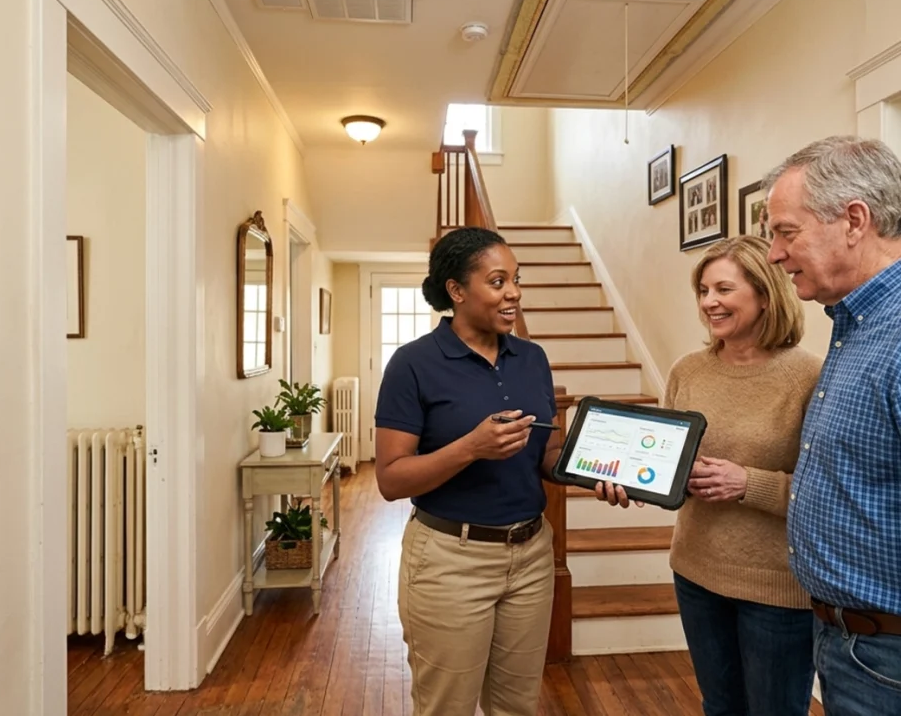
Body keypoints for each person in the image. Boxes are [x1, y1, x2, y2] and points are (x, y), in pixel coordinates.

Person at [597, 235, 822, 716]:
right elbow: (669, 471)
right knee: (719, 707)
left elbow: (827, 493)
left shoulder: (809, 377)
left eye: (723, 289)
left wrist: (748, 484)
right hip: (696, 573)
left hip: (776, 587)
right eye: (702, 290)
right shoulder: (686, 371)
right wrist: (633, 481)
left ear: (764, 293)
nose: (708, 303)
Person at [374, 226, 563, 716]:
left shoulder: (533, 358)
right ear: (457, 291)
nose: (514, 292)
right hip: (448, 562)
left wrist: (598, 470)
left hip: (532, 556)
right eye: (498, 281)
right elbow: (391, 480)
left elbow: (547, 454)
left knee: (517, 706)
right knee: (446, 708)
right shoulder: (412, 364)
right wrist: (471, 448)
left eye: (516, 279)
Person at [763, 135, 901, 715]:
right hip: (846, 641)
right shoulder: (852, 326)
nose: (773, 254)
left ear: (854, 220)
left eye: (785, 232)